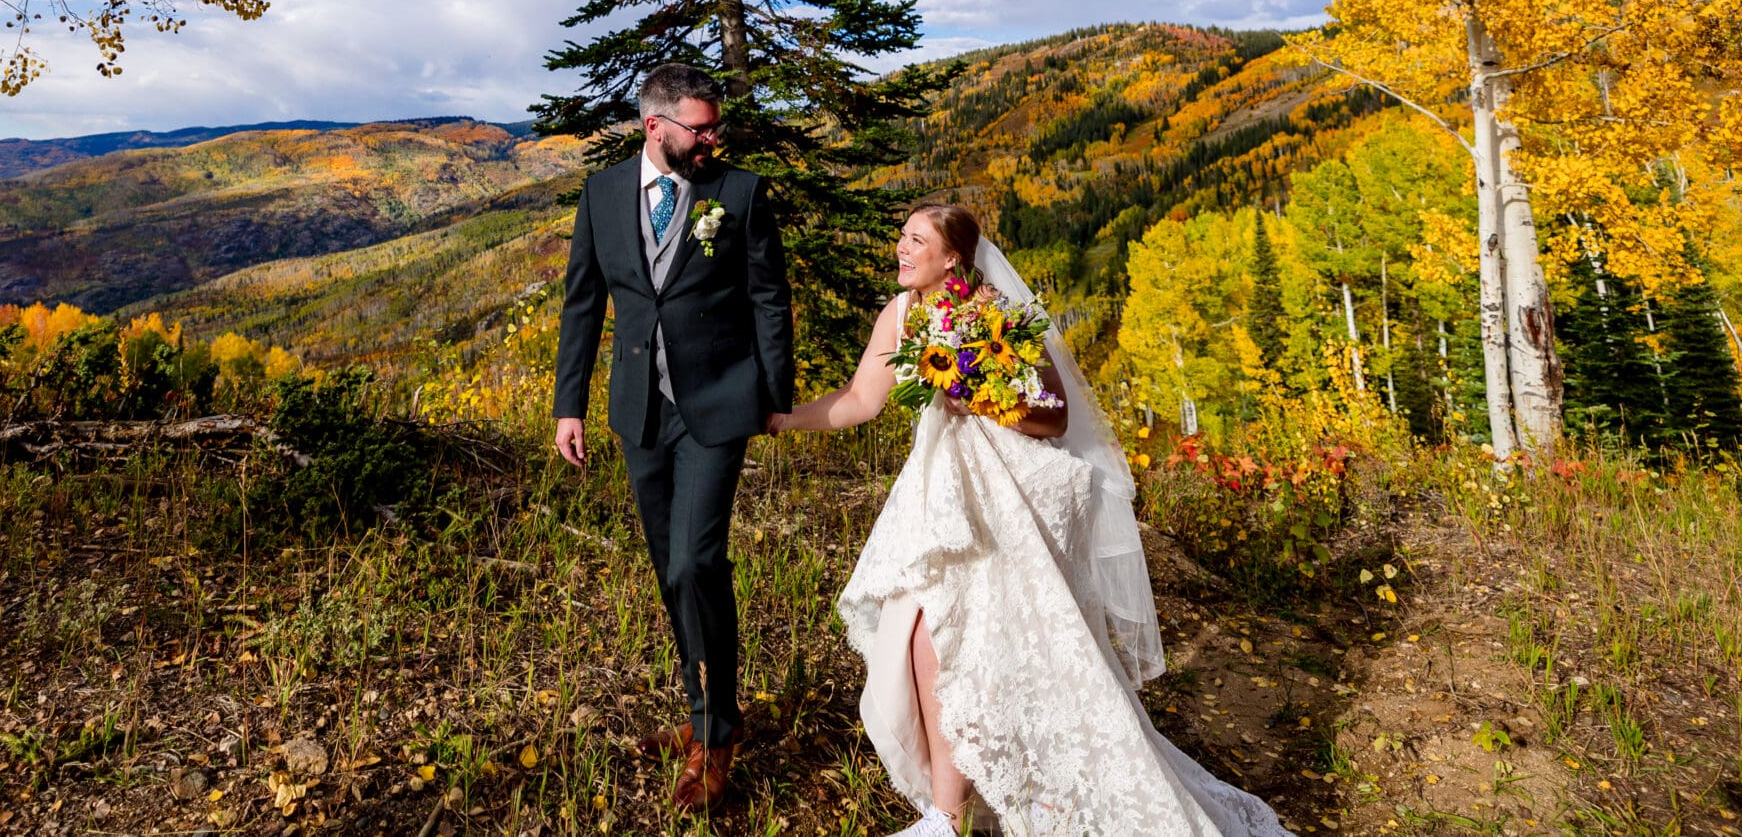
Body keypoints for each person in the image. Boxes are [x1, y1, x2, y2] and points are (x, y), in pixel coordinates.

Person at [768, 204, 1292, 837]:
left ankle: (968, 811)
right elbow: (859, 400)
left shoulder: (995, 312)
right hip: (942, 492)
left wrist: (977, 397)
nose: (901, 248)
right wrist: (779, 420)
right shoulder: (900, 314)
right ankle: (953, 809)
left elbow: (1055, 415)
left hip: (1013, 496)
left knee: (974, 642)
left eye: (916, 239)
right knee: (920, 637)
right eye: (902, 236)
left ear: (951, 258)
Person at [551, 62, 794, 812]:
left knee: (696, 561)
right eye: (701, 127)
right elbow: (583, 303)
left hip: (719, 405)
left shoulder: (739, 193)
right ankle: (706, 710)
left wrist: (774, 397)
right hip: (640, 411)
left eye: (716, 126)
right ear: (655, 126)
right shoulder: (601, 194)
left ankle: (715, 740)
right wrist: (569, 406)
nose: (713, 138)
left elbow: (769, 297)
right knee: (669, 569)